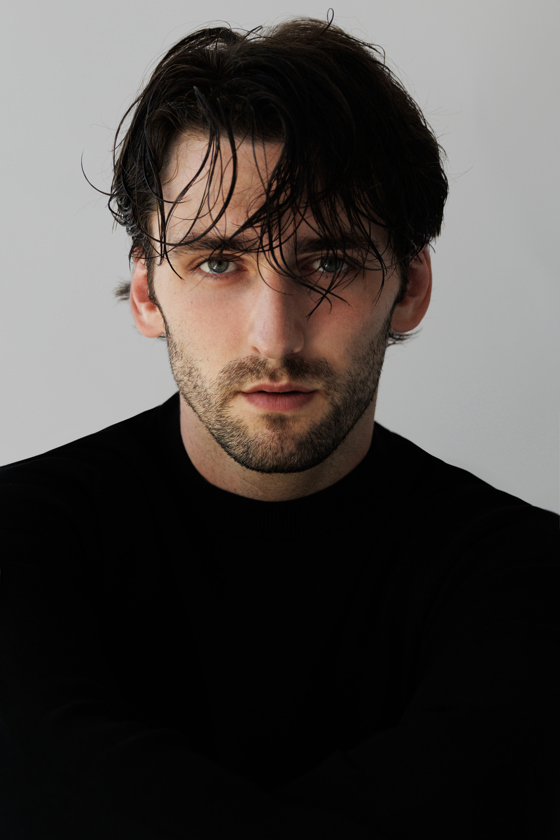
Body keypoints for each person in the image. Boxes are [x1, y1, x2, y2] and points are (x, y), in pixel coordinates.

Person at [0, 15, 559, 840]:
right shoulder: (20, 539)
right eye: (218, 261)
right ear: (149, 293)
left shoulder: (528, 578)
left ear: (409, 288)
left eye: (328, 261)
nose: (275, 337)